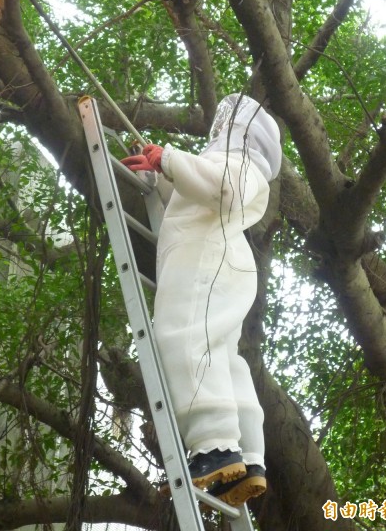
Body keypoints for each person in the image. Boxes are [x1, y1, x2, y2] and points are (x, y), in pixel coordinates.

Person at [121, 94, 281, 506]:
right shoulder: (225, 166)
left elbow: (222, 187)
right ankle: (246, 458)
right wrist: (160, 176)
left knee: (184, 336)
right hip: (220, 263)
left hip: (205, 261)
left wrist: (169, 158)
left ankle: (213, 447)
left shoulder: (240, 165)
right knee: (224, 362)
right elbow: (200, 186)